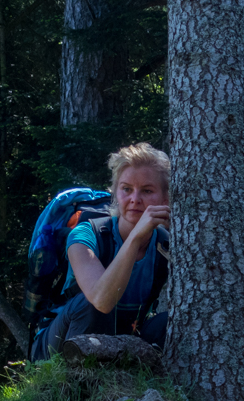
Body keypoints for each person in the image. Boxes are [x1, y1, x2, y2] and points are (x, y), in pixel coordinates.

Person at [30, 143, 171, 361]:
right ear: (115, 193)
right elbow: (101, 301)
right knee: (91, 304)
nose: (135, 199)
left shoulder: (166, 245)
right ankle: (76, 389)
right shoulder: (85, 235)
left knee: (169, 322)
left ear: (165, 199)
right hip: (57, 346)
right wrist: (134, 239)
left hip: (119, 339)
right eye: (126, 189)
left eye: (147, 190)